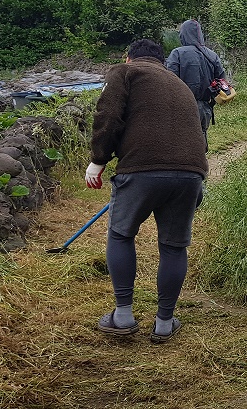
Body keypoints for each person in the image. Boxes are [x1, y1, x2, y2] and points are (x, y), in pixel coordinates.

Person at [87, 39, 208, 343]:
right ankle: (164, 323)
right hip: (191, 172)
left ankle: (123, 316)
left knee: (121, 234)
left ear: (129, 58)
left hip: (141, 169)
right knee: (173, 246)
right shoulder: (179, 83)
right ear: (162, 61)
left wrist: (98, 160)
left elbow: (108, 115)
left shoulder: (125, 72)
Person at [166, 19, 226, 149]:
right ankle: (201, 167)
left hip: (182, 107)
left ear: (183, 35)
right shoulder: (212, 55)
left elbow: (168, 82)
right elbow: (222, 81)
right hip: (205, 107)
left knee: (180, 144)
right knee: (200, 142)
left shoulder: (177, 54)